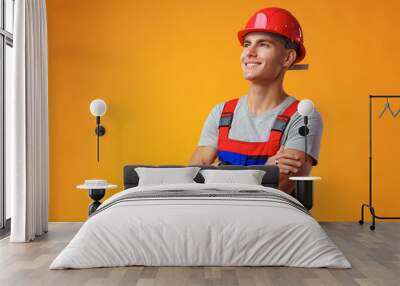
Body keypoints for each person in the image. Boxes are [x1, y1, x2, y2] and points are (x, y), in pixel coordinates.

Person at [190, 7, 323, 194]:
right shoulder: (221, 113)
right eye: (246, 44)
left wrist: (220, 170)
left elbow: (281, 187)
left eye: (263, 44)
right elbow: (194, 177)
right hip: (219, 218)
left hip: (273, 220)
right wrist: (265, 171)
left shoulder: (303, 117)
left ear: (287, 57)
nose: (249, 52)